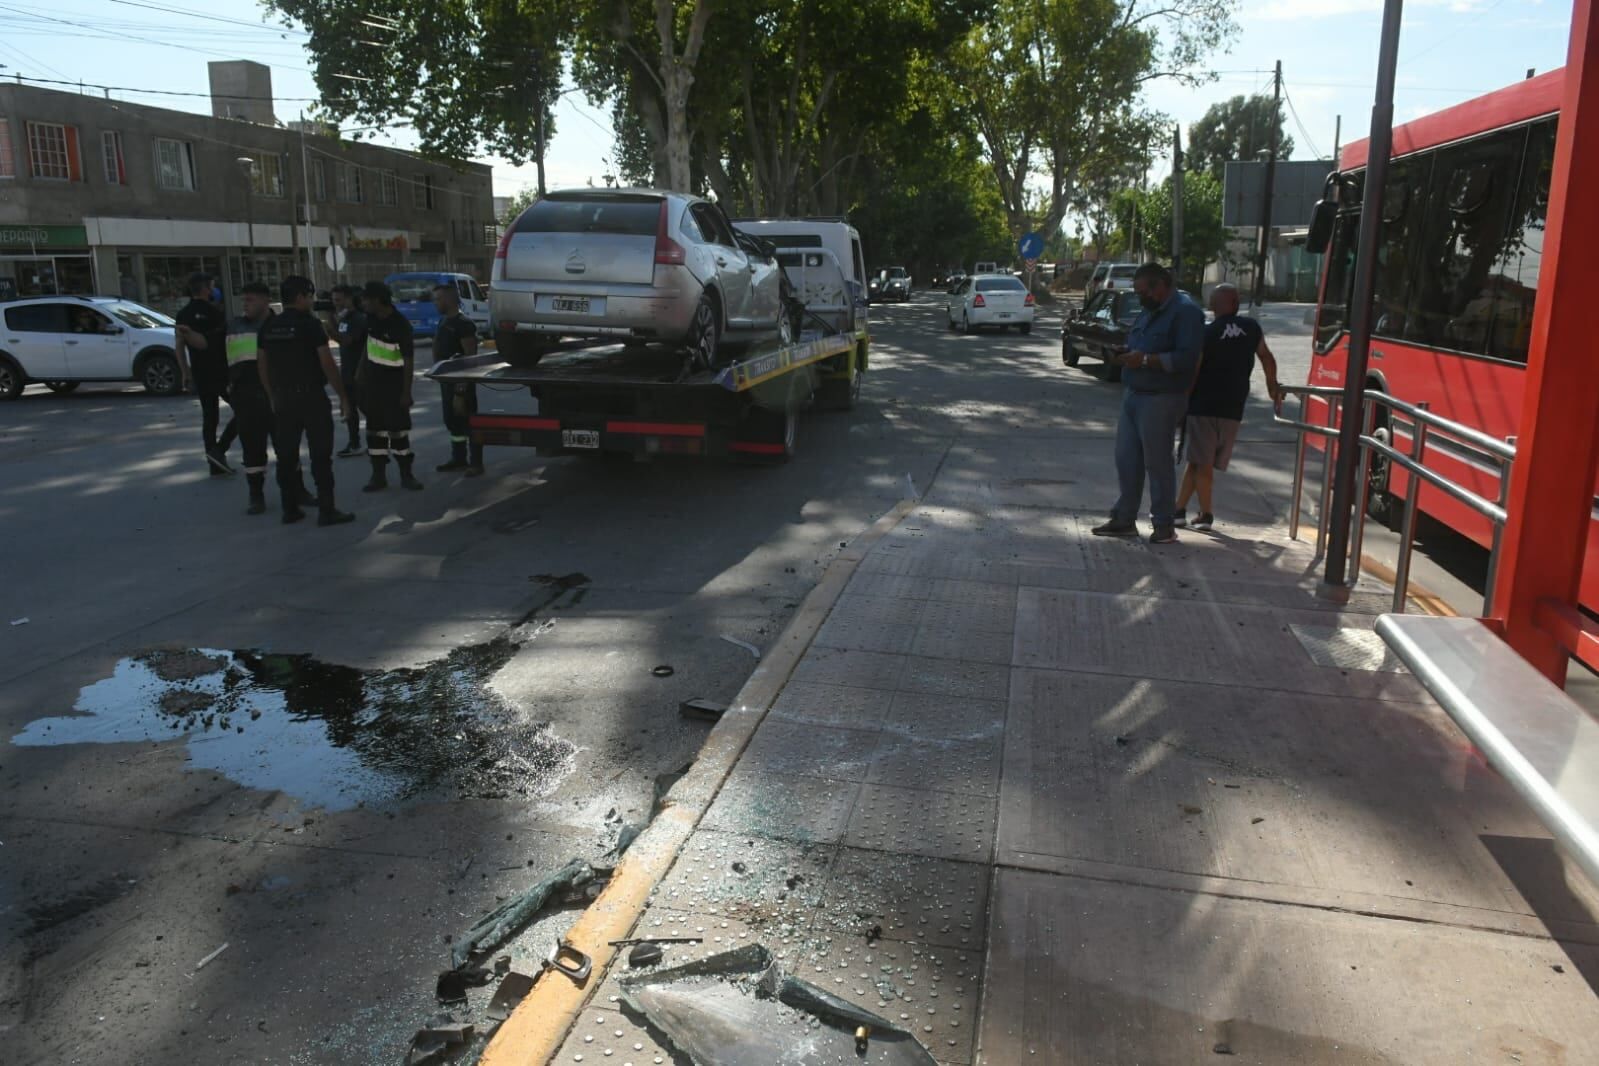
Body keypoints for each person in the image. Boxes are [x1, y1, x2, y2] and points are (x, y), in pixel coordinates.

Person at [1091, 262, 1205, 545]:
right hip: (1134, 393)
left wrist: (1144, 360)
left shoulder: (1186, 312)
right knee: (1126, 459)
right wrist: (1127, 353)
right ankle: (1124, 519)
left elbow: (1186, 359)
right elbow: (1141, 344)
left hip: (1162, 398)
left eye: (1143, 291)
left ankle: (1164, 525)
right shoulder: (1149, 310)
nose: (1139, 297)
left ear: (1161, 286)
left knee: (1158, 463)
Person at [1175, 284, 1284, 532]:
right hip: (1233, 406)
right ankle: (1178, 510)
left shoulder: (1208, 332)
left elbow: (1195, 370)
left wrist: (1183, 401)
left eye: (1213, 302)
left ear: (1216, 306)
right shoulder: (1251, 329)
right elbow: (1267, 357)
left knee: (1200, 462)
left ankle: (1206, 515)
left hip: (1204, 404)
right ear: (1235, 303)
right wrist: (1272, 388)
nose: (1212, 307)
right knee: (1197, 461)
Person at [256, 275, 355, 526]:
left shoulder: (269, 326)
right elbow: (327, 363)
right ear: (300, 297)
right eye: (310, 296)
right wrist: (343, 396)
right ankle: (327, 510)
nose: (312, 301)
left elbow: (262, 365)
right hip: (311, 397)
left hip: (283, 399)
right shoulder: (310, 325)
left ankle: (290, 509)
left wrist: (271, 396)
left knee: (286, 456)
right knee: (320, 456)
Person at [357, 281, 423, 492]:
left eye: (366, 299)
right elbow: (367, 349)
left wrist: (406, 392)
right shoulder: (370, 320)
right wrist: (359, 374)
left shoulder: (400, 324)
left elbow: (408, 360)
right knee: (375, 432)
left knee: (398, 433)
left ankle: (406, 474)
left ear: (377, 300)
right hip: (372, 388)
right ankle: (378, 476)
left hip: (394, 389)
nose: (363, 303)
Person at [173, 272, 238, 475]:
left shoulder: (182, 314)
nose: (213, 290)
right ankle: (219, 450)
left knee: (210, 417)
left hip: (200, 373)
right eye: (211, 286)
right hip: (220, 372)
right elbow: (225, 344)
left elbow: (179, 347)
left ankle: (214, 463)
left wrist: (185, 373)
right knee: (244, 409)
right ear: (204, 289)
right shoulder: (215, 313)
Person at [224, 282, 279, 515]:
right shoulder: (235, 326)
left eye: (251, 300)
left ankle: (297, 490)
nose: (245, 304)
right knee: (252, 450)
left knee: (286, 446)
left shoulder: (278, 326)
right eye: (244, 300)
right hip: (246, 395)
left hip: (275, 394)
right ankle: (256, 495)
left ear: (266, 300)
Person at [431, 283, 485, 476]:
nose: (435, 303)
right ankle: (459, 458)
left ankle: (476, 463)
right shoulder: (443, 321)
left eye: (438, 299)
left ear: (448, 299)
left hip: (460, 385)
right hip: (446, 382)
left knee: (469, 422)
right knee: (453, 422)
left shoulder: (463, 324)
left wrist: (461, 390)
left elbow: (471, 360)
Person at [330, 285, 369, 458]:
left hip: (359, 372)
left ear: (349, 299)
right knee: (350, 410)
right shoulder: (344, 319)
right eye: (333, 300)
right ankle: (354, 443)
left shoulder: (358, 319)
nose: (335, 303)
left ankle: (379, 440)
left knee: (367, 408)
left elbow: (348, 341)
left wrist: (328, 331)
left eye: (338, 300)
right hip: (347, 370)